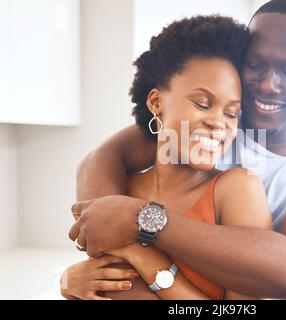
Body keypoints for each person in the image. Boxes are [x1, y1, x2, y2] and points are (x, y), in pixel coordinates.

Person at [68, 0, 286, 299]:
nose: (268, 84)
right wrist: (99, 262)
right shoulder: (200, 129)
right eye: (256, 64)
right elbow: (103, 159)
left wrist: (140, 220)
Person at [61, 15, 273, 300]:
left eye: (231, 113)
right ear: (156, 103)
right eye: (202, 103)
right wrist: (70, 284)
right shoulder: (116, 191)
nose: (218, 122)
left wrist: (149, 263)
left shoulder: (236, 189)